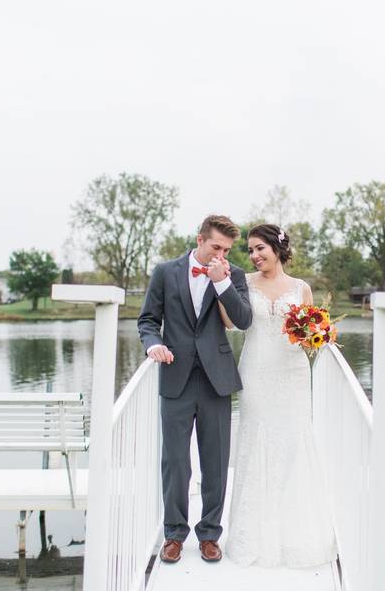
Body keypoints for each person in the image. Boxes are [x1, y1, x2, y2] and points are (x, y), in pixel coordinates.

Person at [137, 214, 253, 564]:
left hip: (216, 378)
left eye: (228, 249)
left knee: (215, 461)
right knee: (175, 461)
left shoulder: (232, 275)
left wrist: (222, 284)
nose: (222, 254)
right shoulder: (165, 272)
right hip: (176, 374)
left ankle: (209, 534)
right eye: (216, 246)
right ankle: (174, 534)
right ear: (199, 239)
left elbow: (244, 320)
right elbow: (147, 320)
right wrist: (152, 344)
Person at [224, 223, 336, 568]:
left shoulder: (301, 288)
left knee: (292, 444)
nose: (255, 256)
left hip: (293, 374)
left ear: (277, 248)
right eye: (251, 250)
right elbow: (230, 323)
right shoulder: (243, 284)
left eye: (261, 248)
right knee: (256, 441)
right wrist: (222, 289)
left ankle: (295, 534)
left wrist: (316, 333)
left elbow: (312, 337)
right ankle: (254, 536)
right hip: (256, 371)